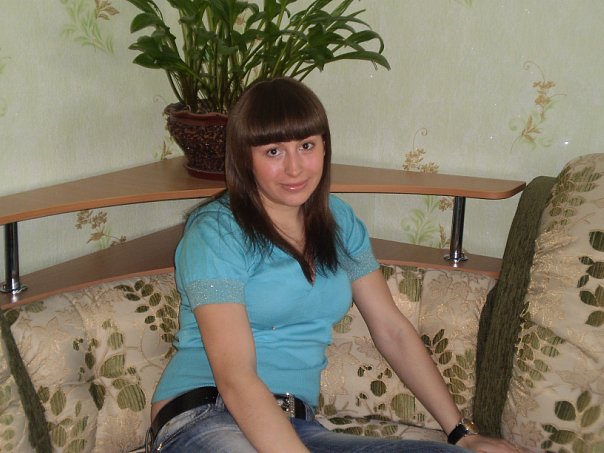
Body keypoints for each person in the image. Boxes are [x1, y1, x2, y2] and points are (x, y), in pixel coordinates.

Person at [146, 77, 524, 453]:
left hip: (295, 423)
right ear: (245, 158)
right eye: (273, 152)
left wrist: (462, 434)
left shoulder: (339, 221)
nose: (295, 168)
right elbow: (235, 378)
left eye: (306, 146)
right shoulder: (216, 231)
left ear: (325, 147)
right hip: (204, 416)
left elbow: (392, 330)